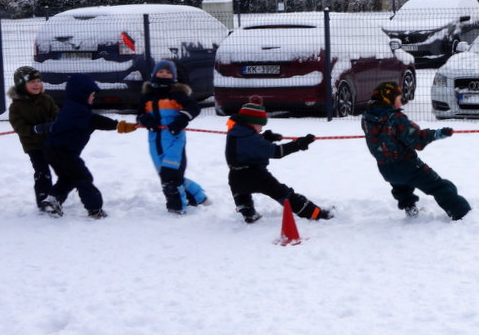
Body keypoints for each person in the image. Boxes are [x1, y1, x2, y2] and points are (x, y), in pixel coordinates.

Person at [359, 81, 471, 220]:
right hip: (407, 165)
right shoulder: (396, 118)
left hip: (385, 167)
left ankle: (409, 206)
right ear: (388, 100)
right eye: (398, 99)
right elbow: (416, 140)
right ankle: (463, 214)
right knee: (439, 186)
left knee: (401, 185)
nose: (401, 103)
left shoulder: (367, 118)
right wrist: (438, 133)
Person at [42, 74, 137, 219]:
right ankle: (95, 210)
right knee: (83, 178)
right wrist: (118, 125)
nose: (93, 97)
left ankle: (53, 200)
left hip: (54, 150)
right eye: (91, 94)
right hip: (64, 152)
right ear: (81, 94)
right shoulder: (79, 111)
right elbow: (96, 121)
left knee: (68, 178)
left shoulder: (71, 108)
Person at [224, 101, 332, 224]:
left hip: (234, 176)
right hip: (256, 175)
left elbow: (247, 146)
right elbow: (277, 152)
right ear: (251, 123)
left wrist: (265, 138)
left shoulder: (236, 132)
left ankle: (248, 213)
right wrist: (298, 144)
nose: (261, 129)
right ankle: (315, 214)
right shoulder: (252, 139)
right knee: (284, 194)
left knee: (241, 192)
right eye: (260, 125)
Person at [136, 60, 209, 214]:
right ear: (154, 74)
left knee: (170, 177)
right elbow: (140, 114)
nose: (164, 75)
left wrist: (181, 120)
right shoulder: (147, 96)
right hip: (154, 141)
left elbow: (194, 108)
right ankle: (198, 197)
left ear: (173, 76)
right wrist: (146, 120)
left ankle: (177, 207)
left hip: (174, 140)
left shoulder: (177, 93)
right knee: (167, 176)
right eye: (161, 72)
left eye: (168, 72)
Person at [6, 66, 59, 214]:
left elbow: (56, 113)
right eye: (32, 82)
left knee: (65, 167)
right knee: (42, 171)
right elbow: (19, 126)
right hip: (33, 145)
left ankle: (60, 193)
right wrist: (35, 129)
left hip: (51, 142)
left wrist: (56, 120)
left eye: (38, 81)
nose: (37, 84)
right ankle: (44, 200)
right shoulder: (16, 107)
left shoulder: (46, 99)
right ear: (22, 85)